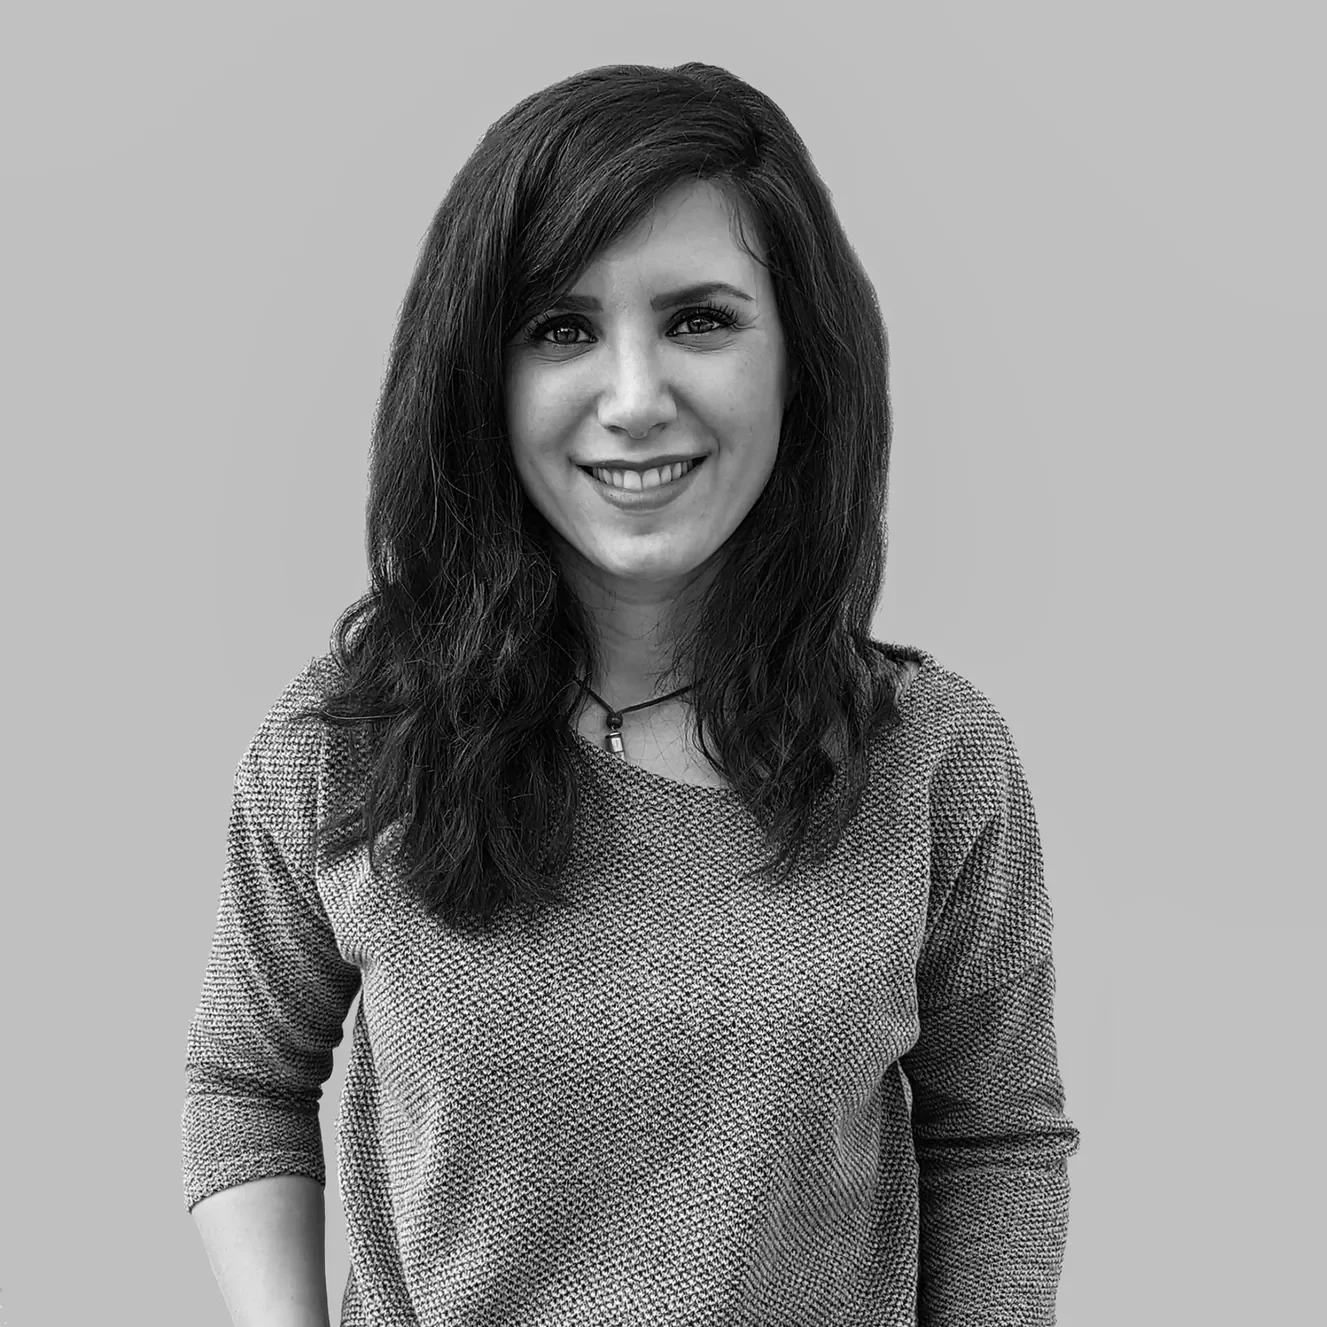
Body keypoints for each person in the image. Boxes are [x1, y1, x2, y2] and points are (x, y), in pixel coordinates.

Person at [183, 60, 1080, 1327]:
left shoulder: (933, 760)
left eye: (700, 319)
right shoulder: (344, 744)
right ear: (481, 379)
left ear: (797, 361)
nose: (633, 399)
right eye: (560, 329)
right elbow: (244, 1080)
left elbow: (994, 1137)